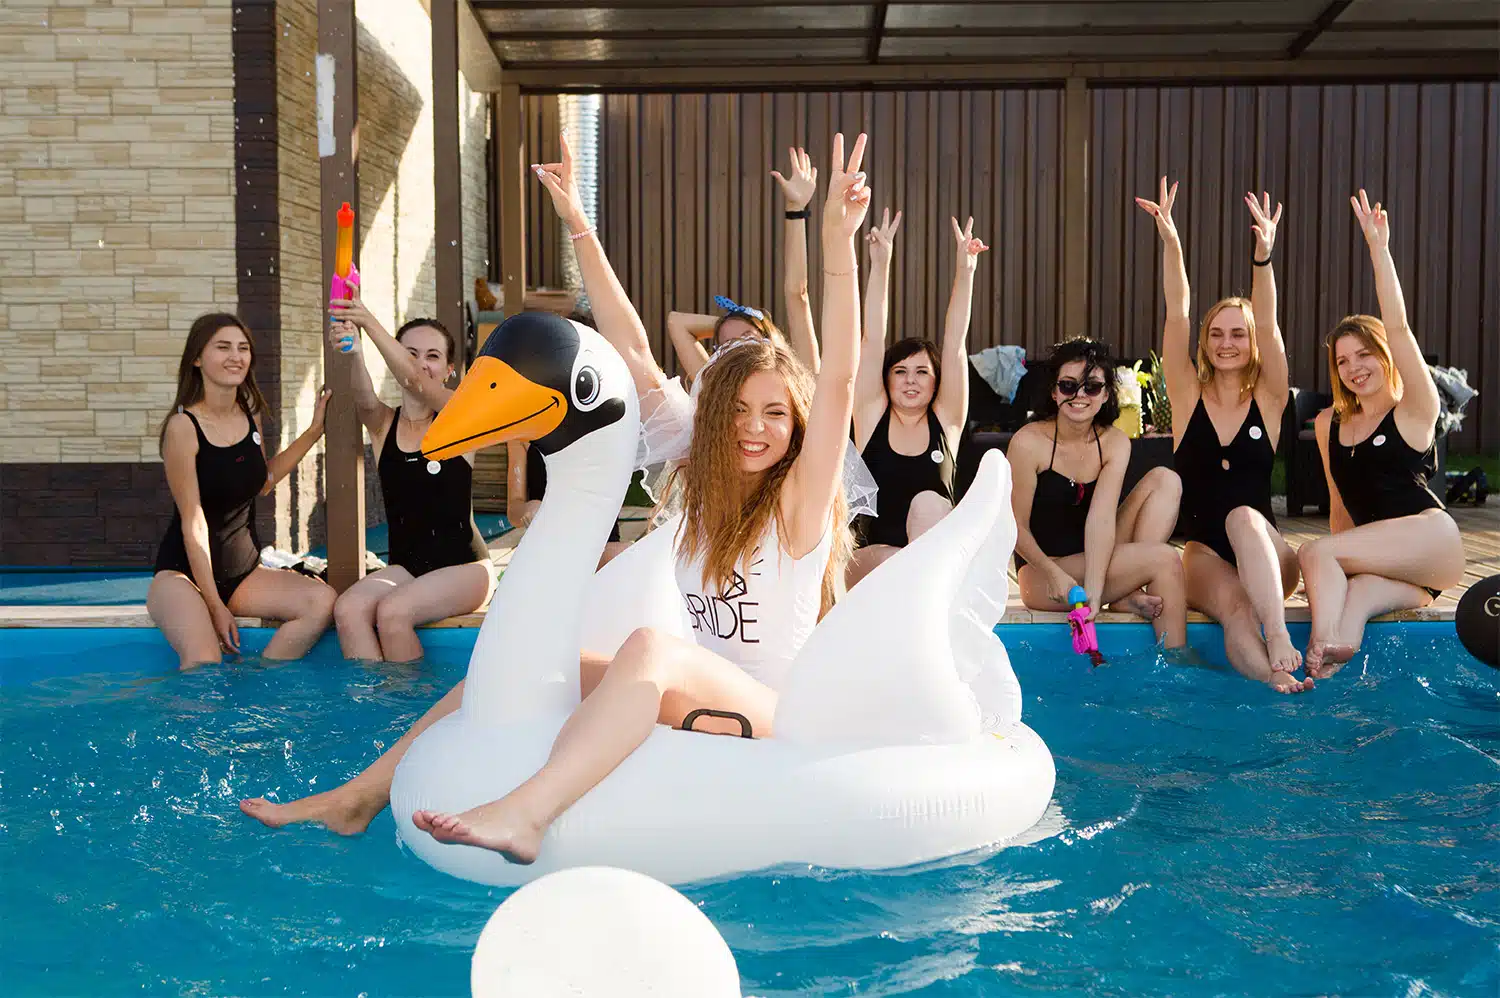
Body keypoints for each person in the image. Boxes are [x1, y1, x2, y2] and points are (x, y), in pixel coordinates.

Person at [241, 131, 872, 852]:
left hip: (772, 714)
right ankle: (359, 795)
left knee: (649, 649)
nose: (754, 429)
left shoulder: (799, 505)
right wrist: (577, 220)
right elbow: (631, 347)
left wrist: (837, 245)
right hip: (691, 693)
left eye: (774, 414)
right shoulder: (699, 469)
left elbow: (841, 381)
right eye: (736, 409)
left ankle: (527, 814)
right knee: (518, 661)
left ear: (795, 425)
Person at [1137, 178, 1310, 693]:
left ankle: (1278, 635)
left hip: (1269, 549)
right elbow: (1177, 314)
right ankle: (1273, 683)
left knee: (1242, 517)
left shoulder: (1271, 399)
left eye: (1238, 333)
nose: (1226, 342)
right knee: (1234, 611)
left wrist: (1263, 258)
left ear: (1251, 342)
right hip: (1204, 552)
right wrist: (1171, 242)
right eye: (1216, 333)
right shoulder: (1188, 398)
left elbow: (1271, 322)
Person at [1297, 192, 1465, 678]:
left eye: (1364, 354)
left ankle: (1314, 646)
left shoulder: (1414, 409)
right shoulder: (1329, 423)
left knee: (1314, 551)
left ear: (1384, 354)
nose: (1354, 368)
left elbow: (1399, 323)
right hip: (1399, 573)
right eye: (1342, 361)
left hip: (1432, 541)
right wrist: (1337, 573)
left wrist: (1378, 249)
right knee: (1356, 597)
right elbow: (1339, 511)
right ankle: (1326, 680)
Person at [148, 313, 336, 670]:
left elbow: (263, 481)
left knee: (321, 602)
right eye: (223, 347)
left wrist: (313, 433)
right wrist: (215, 605)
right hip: (183, 575)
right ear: (197, 358)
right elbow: (194, 521)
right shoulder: (183, 427)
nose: (236, 356)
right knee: (204, 663)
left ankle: (258, 685)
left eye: (243, 348)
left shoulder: (249, 415)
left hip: (242, 574)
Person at [321, 300, 495, 662]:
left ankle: (412, 712)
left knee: (393, 613)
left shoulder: (462, 420)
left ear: (449, 370)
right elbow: (365, 397)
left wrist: (367, 319)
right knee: (348, 610)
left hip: (464, 568)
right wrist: (354, 347)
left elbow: (414, 379)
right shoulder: (385, 425)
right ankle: (374, 709)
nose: (420, 363)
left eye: (432, 356)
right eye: (410, 353)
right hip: (407, 568)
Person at [1008, 338, 1187, 648]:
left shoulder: (1114, 442)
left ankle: (1124, 593)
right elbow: (1014, 527)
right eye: (1068, 386)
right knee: (1164, 559)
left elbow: (1101, 518)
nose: (1079, 396)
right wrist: (1053, 574)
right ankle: (1178, 666)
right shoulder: (1028, 442)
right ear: (1053, 391)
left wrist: (1093, 588)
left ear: (1105, 394)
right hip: (1043, 575)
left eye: (1091, 387)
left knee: (1165, 480)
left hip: (1093, 558)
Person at [845, 210, 984, 586]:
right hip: (871, 565)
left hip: (930, 571)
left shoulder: (948, 422)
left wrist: (966, 272)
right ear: (885, 379)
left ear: (937, 382)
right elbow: (873, 338)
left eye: (922, 372)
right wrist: (881, 263)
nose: (911, 381)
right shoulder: (871, 416)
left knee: (928, 504)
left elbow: (955, 343)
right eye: (900, 372)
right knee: (897, 559)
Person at [665, 146, 821, 379]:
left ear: (772, 342)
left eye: (748, 338)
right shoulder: (710, 386)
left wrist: (795, 210)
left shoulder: (799, 380)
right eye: (728, 344)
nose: (740, 347)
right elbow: (676, 322)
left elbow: (797, 294)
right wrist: (735, 322)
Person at [506, 438, 630, 569]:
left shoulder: (603, 425)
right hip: (548, 548)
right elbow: (514, 509)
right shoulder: (522, 434)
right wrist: (527, 508)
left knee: (621, 557)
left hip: (601, 547)